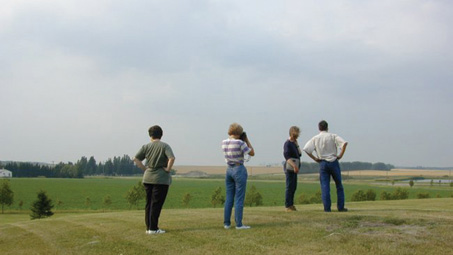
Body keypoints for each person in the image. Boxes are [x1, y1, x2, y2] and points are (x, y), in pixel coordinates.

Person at [133, 125, 175, 234]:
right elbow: (171, 158)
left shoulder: (146, 146)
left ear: (150, 135)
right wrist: (167, 169)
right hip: (160, 178)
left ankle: (149, 227)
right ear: (161, 135)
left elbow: (136, 159)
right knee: (156, 203)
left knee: (149, 203)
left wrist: (144, 168)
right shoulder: (164, 146)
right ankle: (153, 228)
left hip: (148, 177)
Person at [303, 120, 348, 212]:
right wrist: (340, 155)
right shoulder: (332, 136)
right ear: (327, 127)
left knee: (325, 186)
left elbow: (306, 149)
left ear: (319, 128)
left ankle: (327, 208)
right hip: (333, 161)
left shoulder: (315, 138)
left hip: (322, 162)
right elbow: (344, 143)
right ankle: (340, 207)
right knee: (339, 185)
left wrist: (315, 158)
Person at [221, 123, 255, 230]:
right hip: (239, 168)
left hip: (229, 169)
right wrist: (246, 139)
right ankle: (239, 224)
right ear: (239, 133)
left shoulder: (224, 142)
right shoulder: (240, 142)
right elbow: (252, 153)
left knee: (229, 197)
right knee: (239, 197)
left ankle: (227, 223)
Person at [283, 126, 302, 212]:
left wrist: (297, 145)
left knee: (294, 186)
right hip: (290, 167)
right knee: (289, 186)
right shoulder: (287, 144)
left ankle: (291, 204)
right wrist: (294, 166)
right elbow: (287, 157)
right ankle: (288, 205)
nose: (296, 138)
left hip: (295, 168)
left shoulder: (294, 143)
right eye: (295, 136)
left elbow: (300, 154)